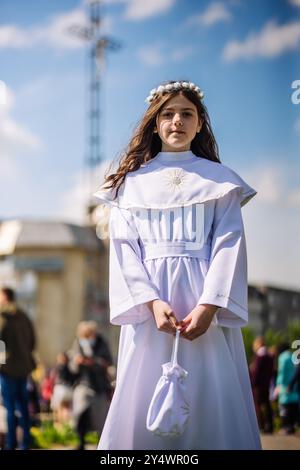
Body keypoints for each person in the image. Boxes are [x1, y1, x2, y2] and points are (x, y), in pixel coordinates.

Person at [94, 79, 261, 450]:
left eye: (187, 114)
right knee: (143, 393)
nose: (177, 122)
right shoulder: (128, 185)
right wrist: (151, 302)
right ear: (155, 124)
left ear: (200, 123)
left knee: (211, 393)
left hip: (205, 307)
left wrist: (209, 306)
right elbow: (124, 249)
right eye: (168, 114)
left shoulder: (221, 182)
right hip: (151, 309)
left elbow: (228, 244)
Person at [0, 287, 36, 449]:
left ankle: (11, 443)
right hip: (24, 367)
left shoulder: (2, 316)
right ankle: (26, 442)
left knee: (10, 407)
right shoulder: (24, 316)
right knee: (23, 406)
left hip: (7, 369)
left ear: (5, 297)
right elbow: (33, 341)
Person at [69, 321, 112, 450]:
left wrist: (93, 362)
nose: (87, 339)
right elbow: (72, 366)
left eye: (89, 335)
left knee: (101, 418)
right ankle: (81, 442)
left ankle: (102, 444)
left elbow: (108, 362)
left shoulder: (102, 343)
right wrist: (77, 362)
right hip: (83, 384)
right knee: (80, 413)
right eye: (85, 336)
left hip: (100, 386)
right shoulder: (77, 343)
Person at [249, 337, 274, 433]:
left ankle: (262, 426)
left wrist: (252, 384)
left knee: (258, 406)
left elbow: (256, 372)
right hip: (266, 384)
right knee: (267, 405)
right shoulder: (269, 356)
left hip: (258, 386)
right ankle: (270, 426)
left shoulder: (259, 356)